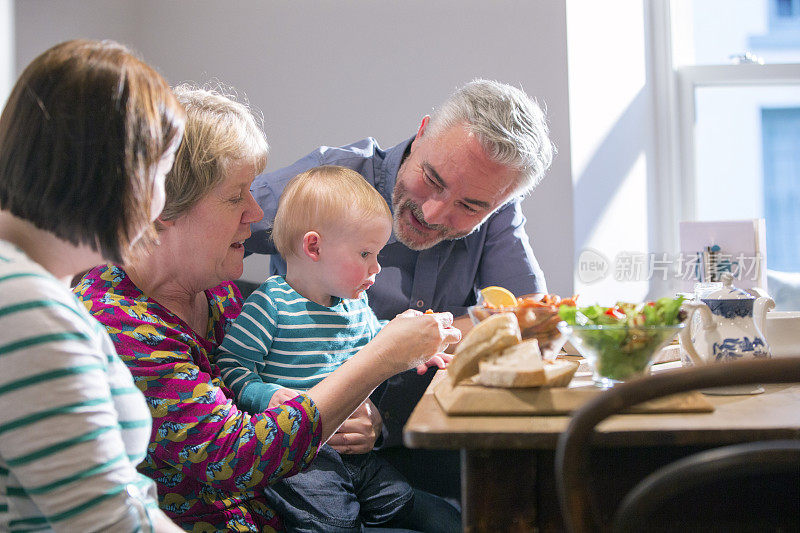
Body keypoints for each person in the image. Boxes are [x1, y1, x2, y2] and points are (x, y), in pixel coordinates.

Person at [74, 85, 461, 532]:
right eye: (237, 195)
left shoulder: (212, 291)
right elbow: (235, 456)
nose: (256, 212)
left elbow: (279, 389)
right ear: (162, 204)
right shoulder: (116, 322)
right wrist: (378, 361)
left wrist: (360, 416)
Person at [244, 78, 556, 494]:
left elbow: (531, 322)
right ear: (422, 131)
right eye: (432, 178)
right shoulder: (327, 180)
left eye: (470, 207)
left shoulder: (496, 208)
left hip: (430, 442)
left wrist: (421, 338)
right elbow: (201, 232)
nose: (433, 212)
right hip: (311, 448)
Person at [0, 39, 186, 532]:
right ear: (120, 172)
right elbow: (108, 522)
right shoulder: (27, 309)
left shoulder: (31, 286)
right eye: (163, 173)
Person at [216, 165, 460, 532]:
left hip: (356, 456)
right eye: (365, 253)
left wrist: (419, 349)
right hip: (301, 461)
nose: (376, 268)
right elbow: (231, 366)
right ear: (313, 246)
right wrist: (267, 396)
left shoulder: (355, 307)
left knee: (440, 515)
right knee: (334, 524)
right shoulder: (271, 304)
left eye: (377, 254)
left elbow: (381, 342)